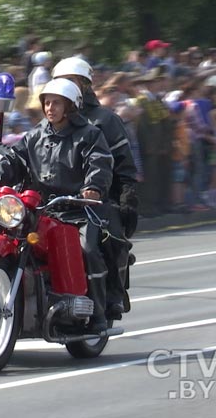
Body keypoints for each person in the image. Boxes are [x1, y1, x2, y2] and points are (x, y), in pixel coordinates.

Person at [0, 78, 114, 333]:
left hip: (76, 209)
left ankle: (98, 312)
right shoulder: (35, 135)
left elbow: (100, 164)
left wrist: (93, 187)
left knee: (87, 248)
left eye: (57, 103)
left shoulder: (90, 134)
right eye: (47, 103)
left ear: (71, 106)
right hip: (37, 209)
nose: (50, 108)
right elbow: (13, 160)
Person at [52, 57, 140, 317]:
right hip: (54, 200)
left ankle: (109, 297)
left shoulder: (105, 120)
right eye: (59, 82)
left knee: (97, 243)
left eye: (70, 81)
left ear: (85, 85)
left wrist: (126, 198)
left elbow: (123, 164)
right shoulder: (51, 120)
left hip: (98, 200)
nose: (64, 87)